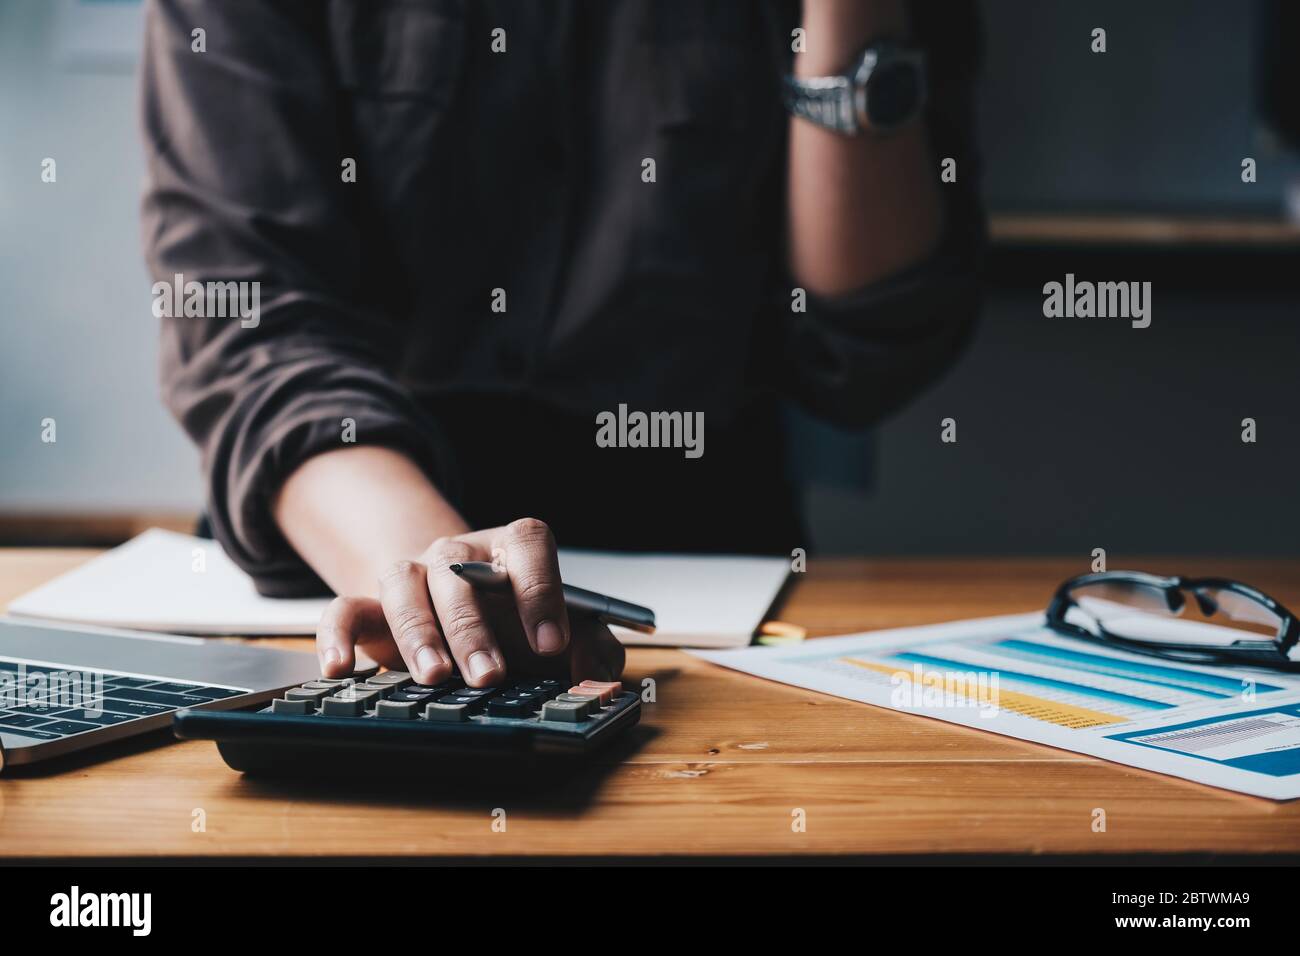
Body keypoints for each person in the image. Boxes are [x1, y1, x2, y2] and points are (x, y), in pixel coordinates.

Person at [141, 0, 984, 689]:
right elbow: (242, 315)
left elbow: (865, 341)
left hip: (706, 557)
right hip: (343, 530)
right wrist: (436, 571)